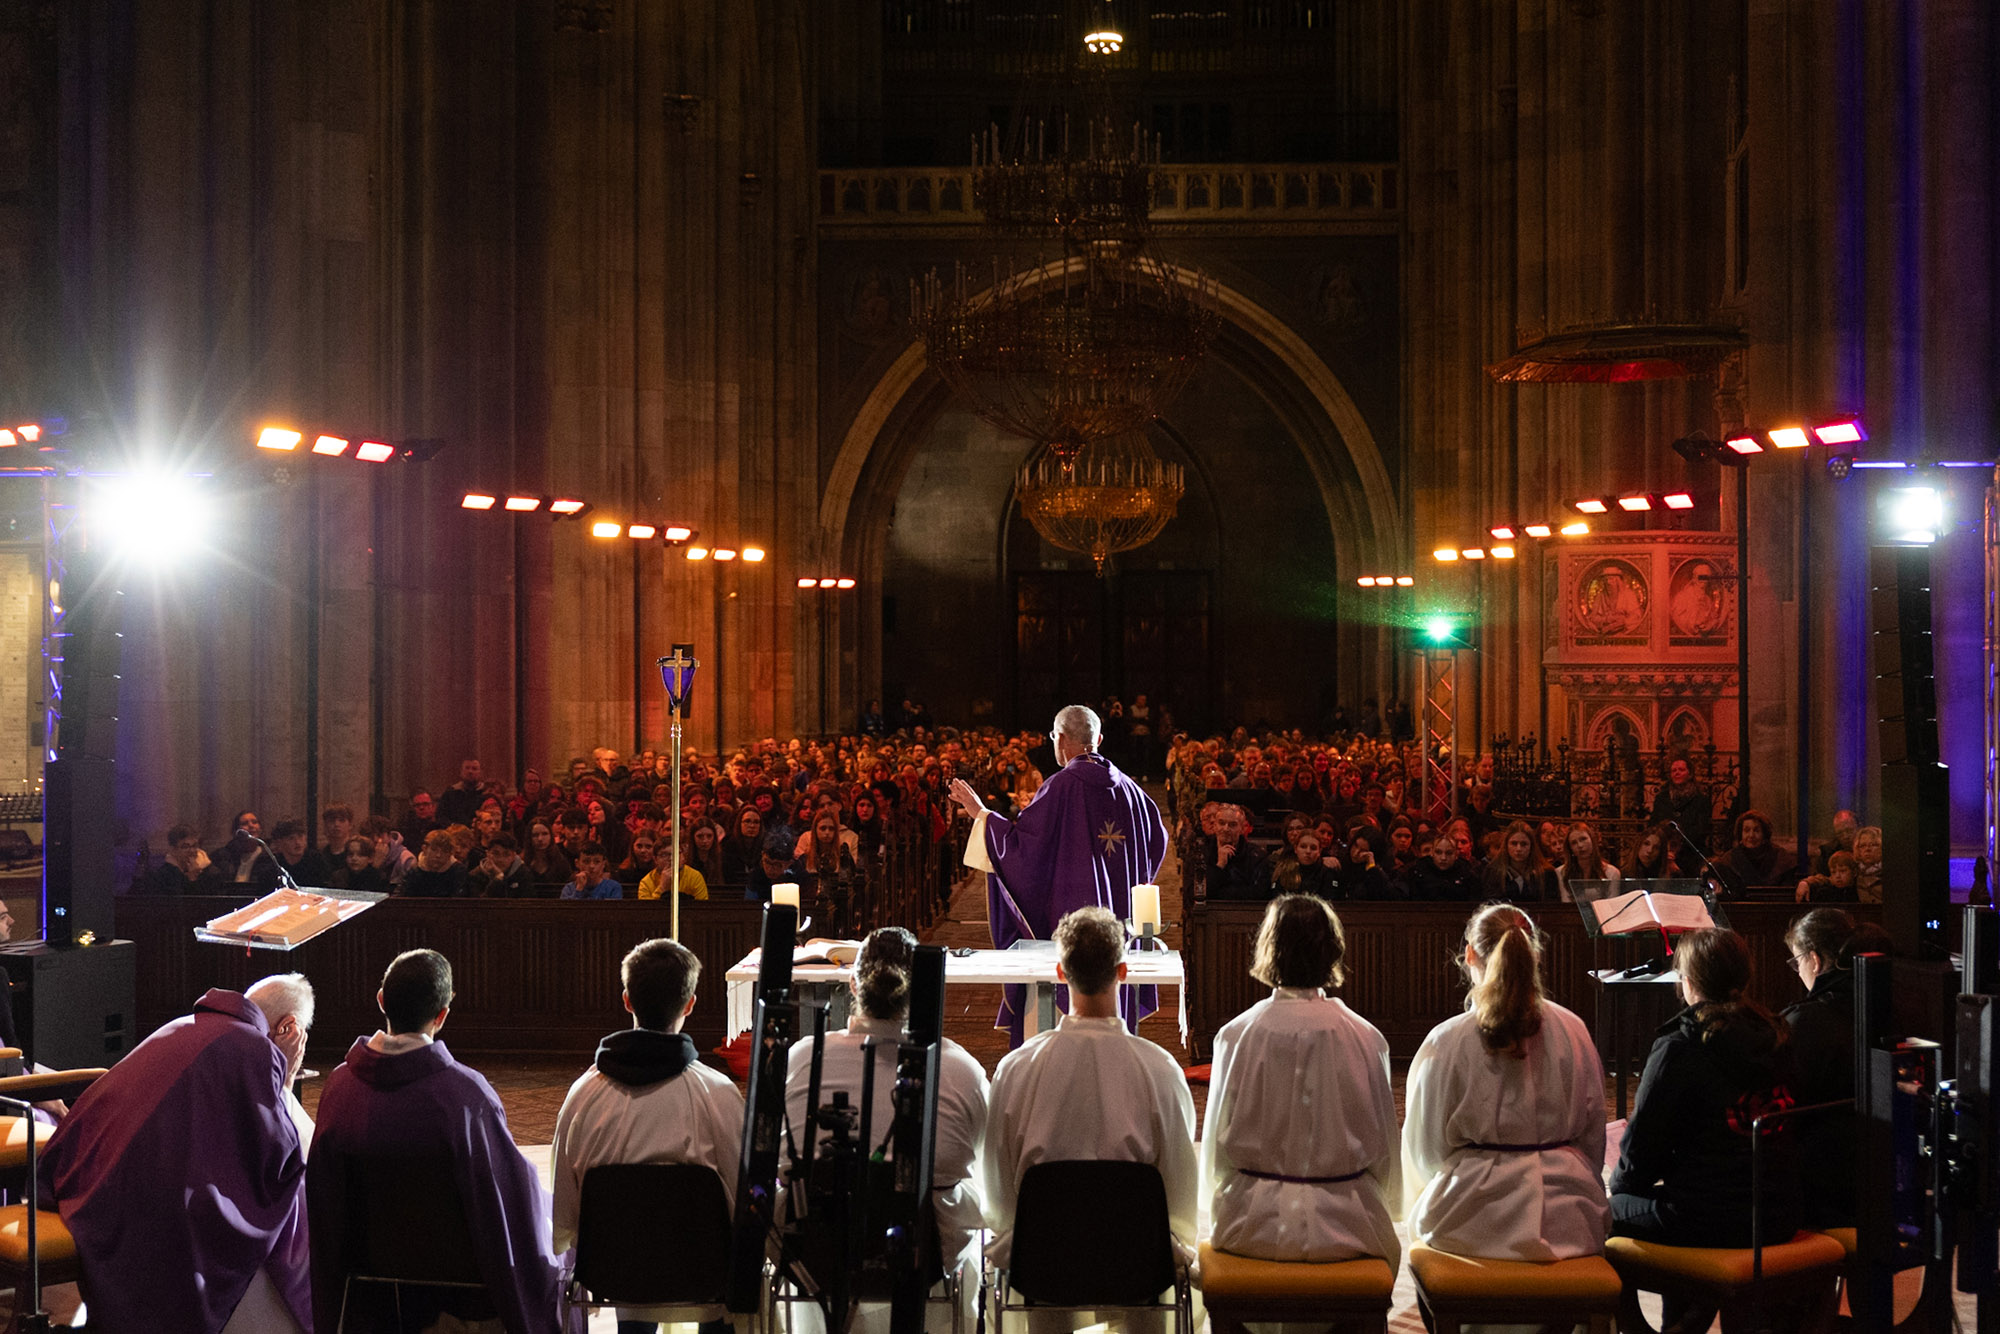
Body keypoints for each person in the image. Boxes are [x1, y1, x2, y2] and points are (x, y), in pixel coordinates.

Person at [40, 974, 317, 1334]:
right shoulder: (254, 1049)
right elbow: (277, 1154)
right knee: (297, 1203)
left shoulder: (183, 1024)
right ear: (289, 1028)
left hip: (86, 1178)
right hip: (142, 1203)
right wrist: (285, 1077)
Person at [308, 949, 561, 1334]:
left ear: (381, 1000)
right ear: (442, 1015)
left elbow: (324, 1202)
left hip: (371, 1299)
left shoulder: (340, 1089)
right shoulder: (464, 1096)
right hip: (458, 1304)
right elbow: (505, 1203)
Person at [784, 928, 990, 1330]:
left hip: (818, 1254)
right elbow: (985, 1163)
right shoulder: (959, 1069)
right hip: (927, 1260)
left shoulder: (804, 1058)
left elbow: (781, 1163)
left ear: (853, 983)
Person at [982, 907, 1198, 1271]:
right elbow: (1180, 1197)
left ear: (1060, 972)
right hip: (1136, 1264)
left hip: (1042, 1263)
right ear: (1123, 972)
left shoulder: (1016, 1069)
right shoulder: (1161, 1070)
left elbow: (998, 1196)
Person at [552, 939, 744, 1334]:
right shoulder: (718, 1093)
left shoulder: (582, 1096)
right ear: (690, 1004)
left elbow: (565, 1211)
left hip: (615, 1275)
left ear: (626, 1000)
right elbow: (744, 1195)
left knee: (629, 1255)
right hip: (705, 1274)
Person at [951, 705, 1168, 1044]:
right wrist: (1125, 877)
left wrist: (982, 815)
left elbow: (1023, 849)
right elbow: (1158, 840)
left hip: (1065, 923)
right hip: (1119, 924)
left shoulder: (1060, 787)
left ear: (1062, 739)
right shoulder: (1131, 791)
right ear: (1098, 739)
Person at [1403, 904, 1609, 1261]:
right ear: (1536, 956)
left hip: (1470, 1219)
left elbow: (1426, 1148)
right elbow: (1593, 1137)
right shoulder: (1573, 1029)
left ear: (1470, 954)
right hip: (1567, 1219)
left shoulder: (1447, 1040)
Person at [1203, 895, 1400, 1266]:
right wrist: (1386, 1200)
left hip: (1251, 1223)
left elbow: (1217, 1146)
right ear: (1332, 950)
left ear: (1269, 949)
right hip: (1348, 1222)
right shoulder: (1364, 1037)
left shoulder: (1237, 1035)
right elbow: (1383, 1145)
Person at [1609, 929, 1799, 1253]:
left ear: (1689, 981)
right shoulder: (1779, 1034)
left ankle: (1661, 1287)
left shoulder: (1680, 1047)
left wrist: (1620, 1185)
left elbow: (1641, 1153)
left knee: (1600, 1211)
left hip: (1708, 1221)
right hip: (1780, 1215)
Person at [1782, 910, 1891, 1227]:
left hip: (1820, 1189)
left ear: (1814, 960)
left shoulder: (1805, 1021)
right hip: (1886, 1176)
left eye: (1797, 962)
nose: (1798, 972)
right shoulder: (1892, 1000)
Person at [1716, 809, 1797, 893]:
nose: (1751, 835)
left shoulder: (1781, 858)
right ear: (1741, 835)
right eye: (1747, 830)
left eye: (1756, 831)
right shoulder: (1729, 859)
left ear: (1764, 835)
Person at [1647, 758, 1712, 855]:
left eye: (1681, 770)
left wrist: (1679, 844)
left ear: (1690, 774)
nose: (1677, 773)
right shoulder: (1662, 798)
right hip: (1664, 850)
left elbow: (1702, 828)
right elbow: (1654, 822)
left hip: (1691, 851)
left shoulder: (1701, 800)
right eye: (1674, 770)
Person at [1480, 820, 1555, 902]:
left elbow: (1551, 905)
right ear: (1506, 845)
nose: (1518, 849)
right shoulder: (1493, 872)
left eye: (1524, 844)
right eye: (1514, 843)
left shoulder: (1545, 873)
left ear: (1531, 846)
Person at [1204, 803, 1267, 901]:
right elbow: (1198, 892)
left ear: (1242, 828)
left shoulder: (1256, 856)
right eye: (1221, 823)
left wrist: (1220, 894)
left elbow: (1259, 893)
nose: (1226, 829)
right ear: (1215, 826)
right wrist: (1219, 865)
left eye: (1232, 825)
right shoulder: (1201, 853)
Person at [1399, 828, 1478, 901]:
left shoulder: (1467, 875)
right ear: (1432, 853)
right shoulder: (1417, 873)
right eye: (1438, 852)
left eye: (1449, 853)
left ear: (1456, 854)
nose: (1443, 858)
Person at [1555, 822, 1622, 902]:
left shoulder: (1612, 872)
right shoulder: (1561, 873)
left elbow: (1611, 905)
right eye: (1574, 843)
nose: (1580, 845)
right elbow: (1565, 903)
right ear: (1570, 849)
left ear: (1592, 840)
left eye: (1583, 839)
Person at [142, 822, 213, 894]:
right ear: (173, 849)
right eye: (185, 847)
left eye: (194, 846)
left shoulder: (207, 868)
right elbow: (176, 898)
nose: (192, 851)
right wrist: (191, 878)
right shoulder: (165, 873)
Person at [471, 832, 534, 897]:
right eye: (496, 853)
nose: (500, 859)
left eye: (506, 854)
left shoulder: (523, 874)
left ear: (513, 856)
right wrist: (498, 878)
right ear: (487, 854)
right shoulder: (476, 875)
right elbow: (481, 902)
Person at [436, 757, 487, 827]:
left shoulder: (486, 793)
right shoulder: (450, 793)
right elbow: (441, 817)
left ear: (480, 773)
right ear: (461, 772)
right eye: (467, 768)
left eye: (474, 769)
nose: (470, 772)